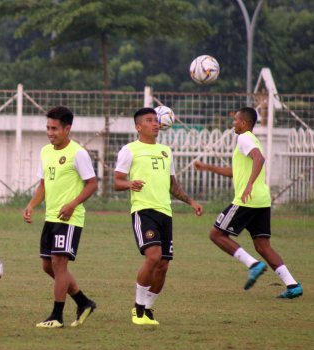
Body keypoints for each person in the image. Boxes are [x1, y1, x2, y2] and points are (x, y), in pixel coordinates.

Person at [194, 107, 302, 299]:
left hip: (247, 200)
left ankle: (253, 265)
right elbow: (235, 171)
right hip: (261, 200)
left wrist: (249, 185)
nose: (233, 123)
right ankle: (292, 285)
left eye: (235, 120)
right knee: (262, 245)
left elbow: (259, 159)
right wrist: (207, 167)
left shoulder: (243, 138)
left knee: (216, 234)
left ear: (243, 123)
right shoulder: (251, 140)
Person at [114, 107, 203, 326]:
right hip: (143, 211)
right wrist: (129, 184)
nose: (155, 123)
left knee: (163, 266)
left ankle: (149, 309)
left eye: (156, 120)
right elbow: (117, 182)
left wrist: (191, 201)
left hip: (165, 212)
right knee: (153, 257)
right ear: (138, 126)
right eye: (149, 120)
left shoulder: (166, 151)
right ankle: (138, 309)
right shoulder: (130, 150)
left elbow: (173, 186)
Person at [23, 106, 98, 329]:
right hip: (51, 218)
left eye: (54, 128)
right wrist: (31, 205)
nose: (50, 132)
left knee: (59, 263)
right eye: (48, 128)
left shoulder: (78, 153)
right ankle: (84, 302)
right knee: (48, 266)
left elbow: (92, 184)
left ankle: (57, 316)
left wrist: (73, 204)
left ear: (67, 129)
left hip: (70, 219)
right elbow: (43, 185)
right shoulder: (45, 152)